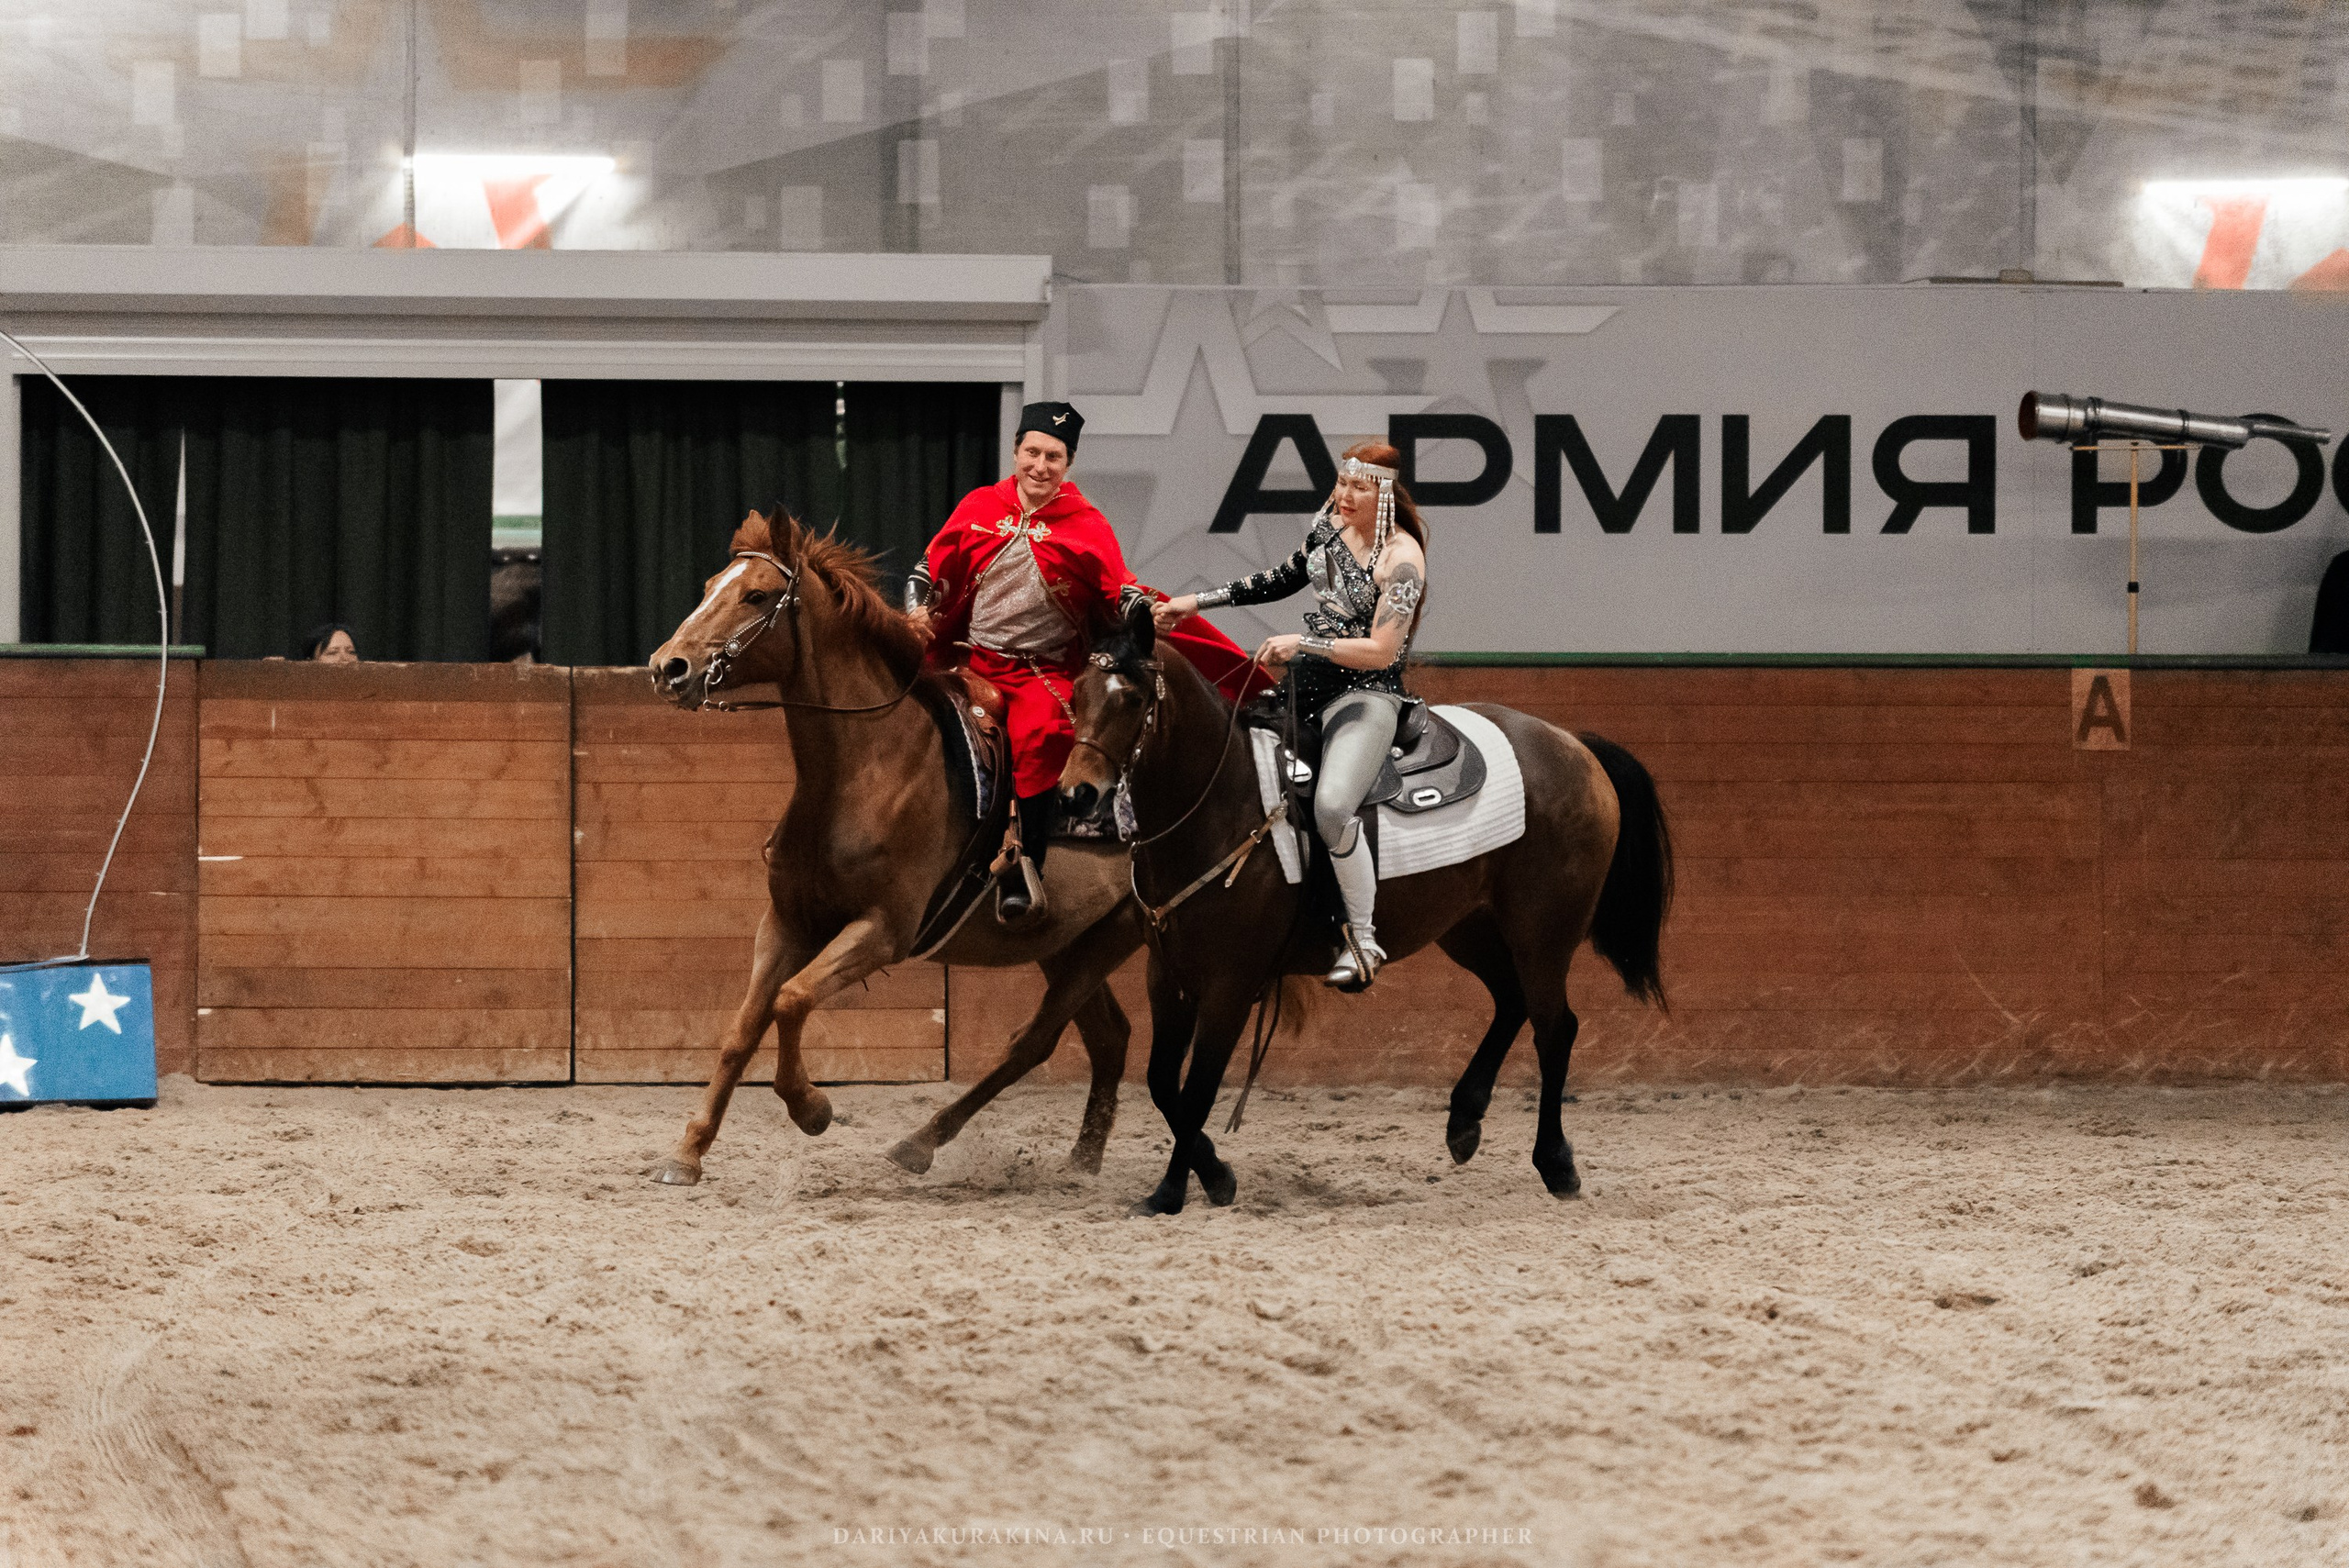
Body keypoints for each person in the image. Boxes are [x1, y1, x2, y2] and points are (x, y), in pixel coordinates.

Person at [909, 401, 1260, 922]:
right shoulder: (981, 504)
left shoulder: (1084, 521)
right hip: (968, 656)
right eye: (1032, 452)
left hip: (1038, 670)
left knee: (1043, 735)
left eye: (1053, 457)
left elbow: (1114, 585)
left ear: (1067, 464)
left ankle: (1027, 867)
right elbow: (930, 563)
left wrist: (1138, 608)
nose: (1040, 466)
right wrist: (916, 611)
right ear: (1016, 452)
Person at [1154, 441, 1429, 990]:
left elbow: (1382, 651)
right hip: (1304, 689)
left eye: (1359, 487)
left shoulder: (1402, 560)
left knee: (1330, 807)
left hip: (1365, 695)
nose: (1344, 496)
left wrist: (1303, 642)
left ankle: (1363, 937)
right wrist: (1198, 601)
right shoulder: (1329, 524)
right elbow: (1284, 576)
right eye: (1341, 483)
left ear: (1385, 493)